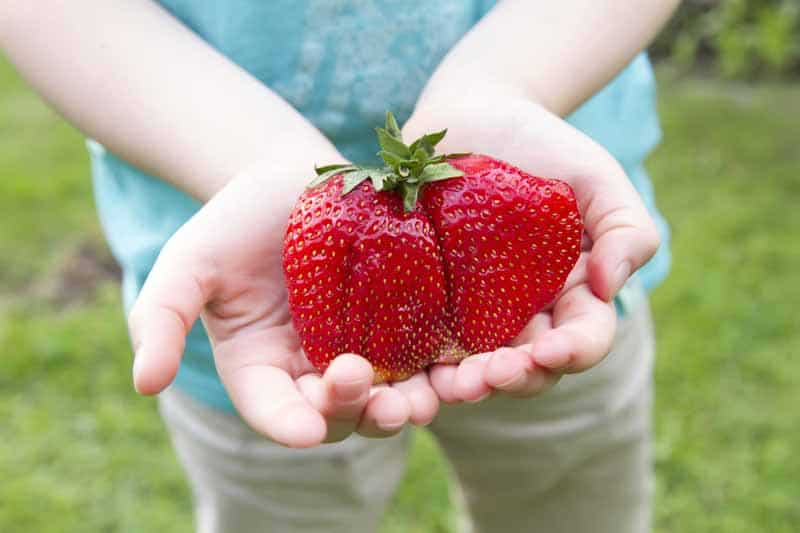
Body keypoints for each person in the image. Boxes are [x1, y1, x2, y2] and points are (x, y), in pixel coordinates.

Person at [0, 1, 678, 531]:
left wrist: (505, 86)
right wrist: (255, 156)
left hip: (553, 273)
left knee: (570, 507)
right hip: (251, 284)